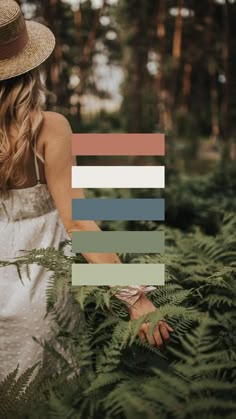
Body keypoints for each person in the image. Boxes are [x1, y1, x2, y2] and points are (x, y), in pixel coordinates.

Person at [0, 0, 173, 381]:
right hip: (40, 291)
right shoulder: (50, 127)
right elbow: (77, 223)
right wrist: (135, 296)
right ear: (31, 64)